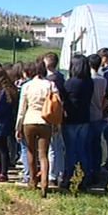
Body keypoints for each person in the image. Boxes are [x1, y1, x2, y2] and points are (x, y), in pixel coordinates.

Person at [15, 60, 56, 198]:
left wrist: (18, 127)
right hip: (46, 121)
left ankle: (33, 182)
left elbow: (21, 109)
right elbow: (57, 105)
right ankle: (45, 183)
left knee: (30, 152)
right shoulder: (50, 85)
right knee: (43, 155)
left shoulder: (27, 86)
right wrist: (57, 124)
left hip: (29, 120)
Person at [61, 54, 94, 189]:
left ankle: (70, 177)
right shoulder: (89, 82)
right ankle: (85, 177)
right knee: (82, 149)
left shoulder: (71, 82)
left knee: (70, 150)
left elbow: (64, 98)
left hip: (71, 120)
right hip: (85, 119)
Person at [43, 52, 66, 186]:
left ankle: (52, 175)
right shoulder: (61, 77)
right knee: (58, 146)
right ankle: (60, 172)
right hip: (59, 115)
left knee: (51, 147)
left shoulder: (50, 81)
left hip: (51, 114)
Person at [86, 54, 108, 184]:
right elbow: (106, 97)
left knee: (87, 146)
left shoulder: (90, 80)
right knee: (97, 144)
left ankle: (88, 172)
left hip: (89, 114)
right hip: (99, 114)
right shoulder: (103, 79)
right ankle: (97, 171)